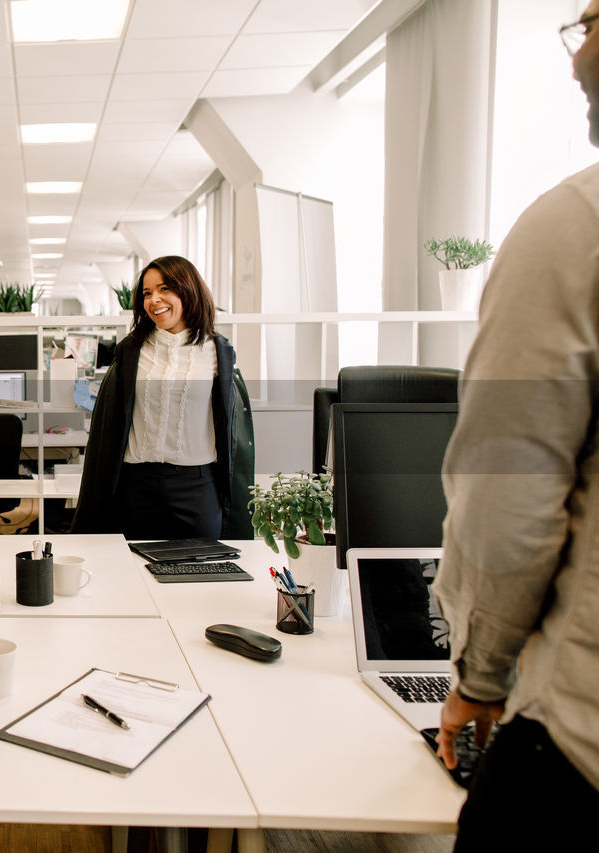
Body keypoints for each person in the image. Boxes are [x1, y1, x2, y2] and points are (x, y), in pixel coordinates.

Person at [433, 7, 599, 847]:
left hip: (578, 742)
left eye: (591, 22)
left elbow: (509, 500)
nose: (578, 61)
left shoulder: (577, 226)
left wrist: (479, 674)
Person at [72, 255, 253, 540]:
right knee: (135, 573)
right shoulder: (131, 351)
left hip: (198, 486)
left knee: (202, 574)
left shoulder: (217, 353)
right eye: (147, 293)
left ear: (188, 290)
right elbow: (109, 424)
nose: (154, 299)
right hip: (137, 485)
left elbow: (232, 431)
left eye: (164, 288)